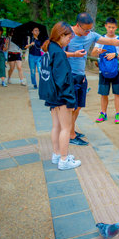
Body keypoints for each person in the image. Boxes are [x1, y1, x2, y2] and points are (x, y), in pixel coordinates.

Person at [65, 13, 119, 146]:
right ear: (78, 25)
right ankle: (70, 134)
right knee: (71, 107)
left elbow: (109, 41)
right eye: (86, 30)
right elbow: (56, 52)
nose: (88, 33)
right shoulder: (67, 34)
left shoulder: (91, 35)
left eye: (90, 29)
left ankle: (72, 131)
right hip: (69, 75)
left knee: (77, 107)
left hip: (80, 76)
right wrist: (73, 54)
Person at [40, 21, 81, 170]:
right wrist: (70, 99)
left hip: (52, 94)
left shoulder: (49, 48)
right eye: (69, 38)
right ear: (61, 35)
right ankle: (64, 159)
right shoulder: (59, 53)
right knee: (65, 127)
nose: (69, 41)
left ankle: (57, 154)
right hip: (61, 95)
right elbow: (62, 79)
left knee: (56, 126)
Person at [93, 17, 119, 124]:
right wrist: (97, 51)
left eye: (113, 27)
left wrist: (116, 54)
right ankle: (103, 113)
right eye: (109, 27)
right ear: (105, 26)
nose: (111, 29)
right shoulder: (100, 39)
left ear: (116, 27)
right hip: (103, 71)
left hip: (117, 70)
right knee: (104, 94)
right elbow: (93, 53)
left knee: (117, 94)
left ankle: (118, 113)